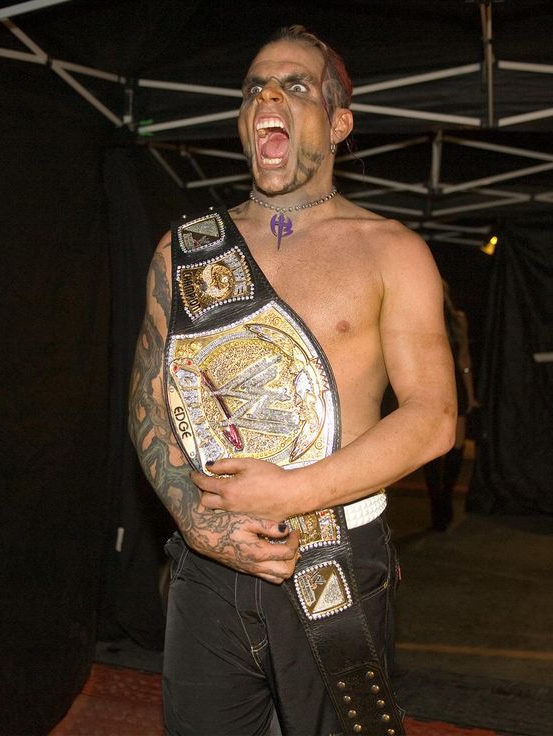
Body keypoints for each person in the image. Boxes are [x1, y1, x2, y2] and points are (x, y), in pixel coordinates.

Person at [128, 25, 456, 736]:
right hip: (208, 567)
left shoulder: (392, 251)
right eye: (254, 89)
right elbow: (147, 405)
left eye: (295, 86)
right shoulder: (185, 251)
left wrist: (291, 493)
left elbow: (433, 418)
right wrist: (197, 517)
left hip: (335, 565)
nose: (268, 95)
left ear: (339, 123)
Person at [424, 281, 480, 531]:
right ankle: (438, 503)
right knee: (432, 448)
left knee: (456, 446)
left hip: (455, 384)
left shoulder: (458, 319)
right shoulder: (421, 318)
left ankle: (444, 497)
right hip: (431, 386)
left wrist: (470, 394)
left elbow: (464, 358)